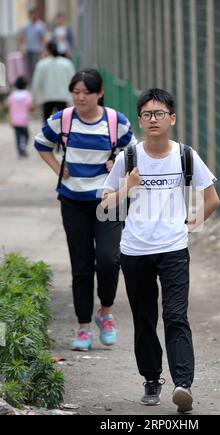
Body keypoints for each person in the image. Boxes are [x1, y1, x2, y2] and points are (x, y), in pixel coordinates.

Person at [102, 89, 220, 413]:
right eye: (146, 114)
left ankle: (183, 385)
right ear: (140, 120)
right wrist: (128, 186)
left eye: (159, 113)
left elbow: (212, 200)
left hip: (173, 249)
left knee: (175, 315)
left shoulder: (185, 155)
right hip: (135, 250)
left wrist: (186, 227)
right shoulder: (129, 157)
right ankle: (152, 379)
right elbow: (105, 205)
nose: (153, 120)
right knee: (144, 318)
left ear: (172, 118)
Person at [34, 69, 137, 351]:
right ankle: (82, 329)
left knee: (109, 259)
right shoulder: (62, 120)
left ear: (99, 93)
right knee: (81, 266)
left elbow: (134, 155)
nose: (80, 97)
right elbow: (41, 144)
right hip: (73, 201)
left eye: (86, 92)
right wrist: (59, 169)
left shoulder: (116, 121)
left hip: (109, 199)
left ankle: (105, 313)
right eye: (76, 92)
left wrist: (117, 162)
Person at [32, 41, 76, 122]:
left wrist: (33, 99)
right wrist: (72, 98)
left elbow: (36, 82)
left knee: (47, 124)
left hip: (47, 98)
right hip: (63, 98)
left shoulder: (42, 64)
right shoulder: (67, 63)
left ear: (47, 50)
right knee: (63, 123)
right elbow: (74, 81)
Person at [6, 76, 33, 159]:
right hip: (24, 120)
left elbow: (8, 106)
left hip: (15, 120)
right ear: (25, 85)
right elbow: (30, 106)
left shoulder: (13, 95)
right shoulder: (27, 95)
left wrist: (9, 119)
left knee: (17, 137)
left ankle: (20, 154)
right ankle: (23, 146)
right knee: (27, 135)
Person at [19, 8, 47, 80]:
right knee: (28, 66)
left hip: (37, 49)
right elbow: (22, 36)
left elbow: (43, 38)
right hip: (28, 49)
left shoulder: (40, 25)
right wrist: (20, 46)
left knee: (35, 65)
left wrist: (44, 49)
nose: (33, 16)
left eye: (34, 14)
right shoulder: (26, 25)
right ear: (30, 15)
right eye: (31, 14)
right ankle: (30, 80)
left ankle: (36, 79)